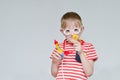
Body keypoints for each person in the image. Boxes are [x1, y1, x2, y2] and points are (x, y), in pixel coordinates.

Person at [50, 12, 98, 80]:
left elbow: (89, 73)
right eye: (67, 31)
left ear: (81, 29)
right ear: (62, 31)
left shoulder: (88, 47)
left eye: (75, 30)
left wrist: (81, 53)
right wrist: (54, 63)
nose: (72, 34)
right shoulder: (59, 48)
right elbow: (54, 74)